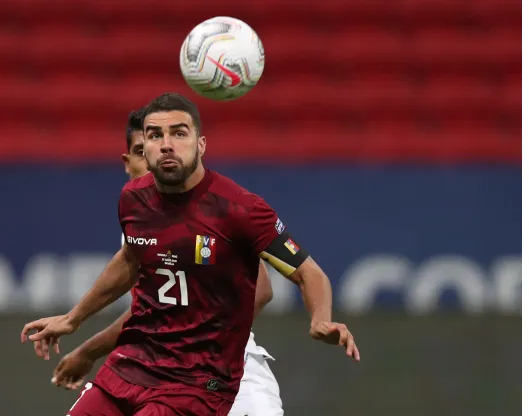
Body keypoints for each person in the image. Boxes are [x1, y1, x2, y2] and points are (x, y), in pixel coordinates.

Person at [21, 93, 360, 415]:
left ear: (201, 144)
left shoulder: (239, 210)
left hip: (195, 382)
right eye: (154, 135)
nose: (166, 143)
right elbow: (129, 258)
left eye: (178, 133)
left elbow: (307, 272)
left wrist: (320, 318)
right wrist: (72, 318)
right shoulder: (133, 198)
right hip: (130, 365)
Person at [49, 109, 284, 415]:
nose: (157, 155)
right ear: (130, 161)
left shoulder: (210, 213)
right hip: (163, 379)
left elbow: (262, 288)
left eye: (170, 141)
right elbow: (152, 316)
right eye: (143, 149)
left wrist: (204, 339)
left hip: (232, 380)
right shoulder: (138, 219)